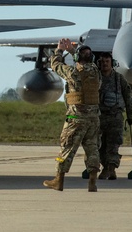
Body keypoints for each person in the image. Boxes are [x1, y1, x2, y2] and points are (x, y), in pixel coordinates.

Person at [43, 38, 101, 192]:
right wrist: (73, 51)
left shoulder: (72, 72)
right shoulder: (96, 72)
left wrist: (60, 50)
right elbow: (85, 62)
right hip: (93, 118)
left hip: (76, 118)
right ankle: (92, 183)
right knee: (92, 149)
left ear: (76, 59)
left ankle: (59, 180)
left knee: (67, 148)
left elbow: (55, 65)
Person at [96, 52, 132, 180]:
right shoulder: (95, 79)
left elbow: (128, 97)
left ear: (112, 63)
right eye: (102, 62)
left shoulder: (119, 79)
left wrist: (130, 115)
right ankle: (106, 168)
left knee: (113, 144)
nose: (104, 64)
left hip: (115, 116)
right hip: (99, 117)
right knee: (99, 145)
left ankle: (110, 169)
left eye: (107, 62)